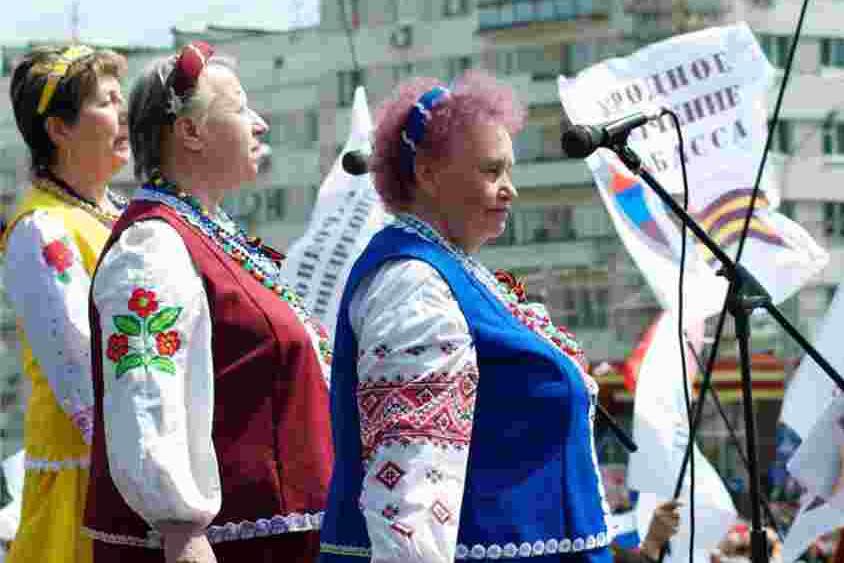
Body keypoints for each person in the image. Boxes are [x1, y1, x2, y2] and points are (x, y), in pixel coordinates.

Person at [319, 70, 612, 563]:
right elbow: (408, 481)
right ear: (428, 174)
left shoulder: (454, 271)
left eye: (509, 172)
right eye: (491, 171)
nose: (509, 189)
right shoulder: (411, 284)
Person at [82, 41, 333, 563]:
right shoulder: (152, 245)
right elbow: (145, 391)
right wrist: (180, 525)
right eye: (240, 109)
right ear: (190, 132)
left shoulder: (209, 236)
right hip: (219, 549)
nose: (259, 123)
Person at [1, 44, 129, 563]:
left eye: (122, 99)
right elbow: (80, 375)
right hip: (91, 484)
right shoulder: (41, 228)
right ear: (60, 129)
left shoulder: (119, 212)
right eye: (107, 101)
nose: (123, 115)